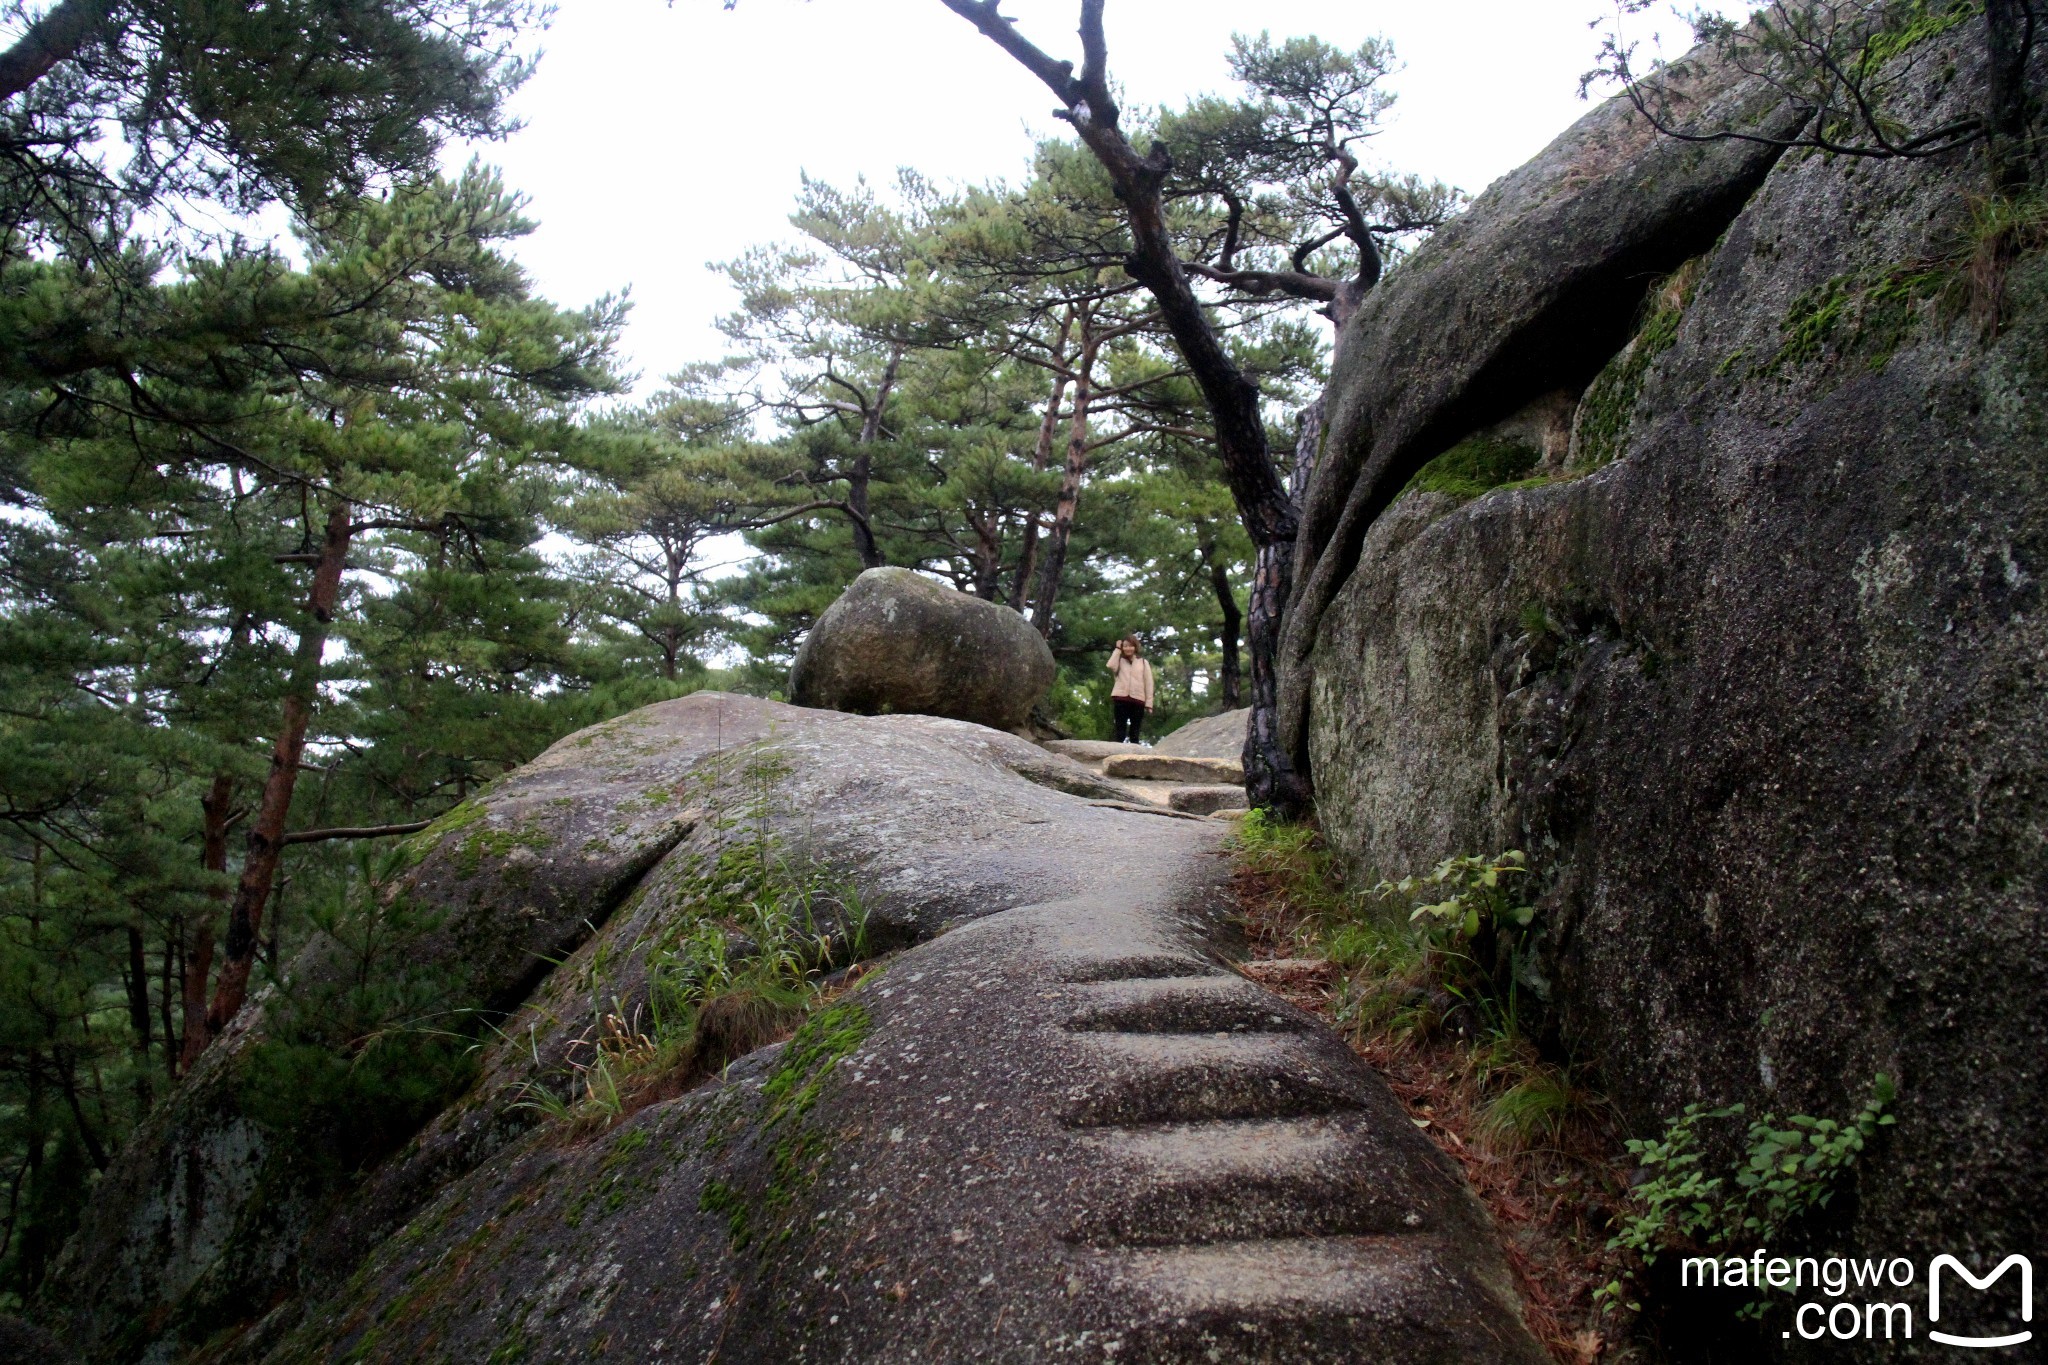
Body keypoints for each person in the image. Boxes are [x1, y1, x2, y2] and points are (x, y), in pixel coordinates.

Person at [1106, 635, 1154, 743]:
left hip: (1138, 700)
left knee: (1135, 732)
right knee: (1120, 731)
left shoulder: (1143, 662)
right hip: (1121, 699)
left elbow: (1149, 683)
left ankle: (1134, 757)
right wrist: (1117, 649)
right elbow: (1110, 665)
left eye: (1131, 646)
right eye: (1125, 646)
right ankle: (1116, 755)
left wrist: (1149, 703)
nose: (1128, 649)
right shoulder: (1119, 660)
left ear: (1135, 647)